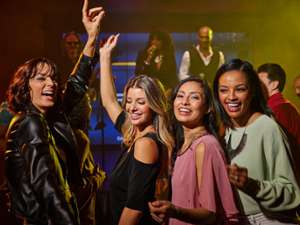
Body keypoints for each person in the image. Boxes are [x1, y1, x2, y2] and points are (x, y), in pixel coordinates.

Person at [4, 0, 104, 224]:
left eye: (53, 78)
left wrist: (91, 38)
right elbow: (45, 184)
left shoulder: (48, 117)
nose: (51, 83)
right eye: (41, 78)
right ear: (24, 87)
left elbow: (77, 85)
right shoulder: (29, 122)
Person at [213, 58, 300, 224]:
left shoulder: (267, 127)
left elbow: (291, 193)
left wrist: (252, 185)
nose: (231, 97)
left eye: (240, 89)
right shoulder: (225, 130)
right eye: (224, 90)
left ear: (252, 91)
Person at [100, 34, 175, 225]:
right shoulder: (135, 132)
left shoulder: (146, 144)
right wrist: (105, 55)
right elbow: (109, 101)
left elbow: (134, 208)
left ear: (154, 105)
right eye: (129, 101)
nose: (132, 108)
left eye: (141, 102)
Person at [148, 77, 239, 225]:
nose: (184, 102)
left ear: (208, 107)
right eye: (180, 96)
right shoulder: (180, 145)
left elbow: (210, 214)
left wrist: (174, 211)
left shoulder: (206, 146)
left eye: (194, 97)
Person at [257, 63, 300, 184]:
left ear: (275, 84)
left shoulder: (279, 109)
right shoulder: (279, 106)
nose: (256, 86)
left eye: (260, 82)